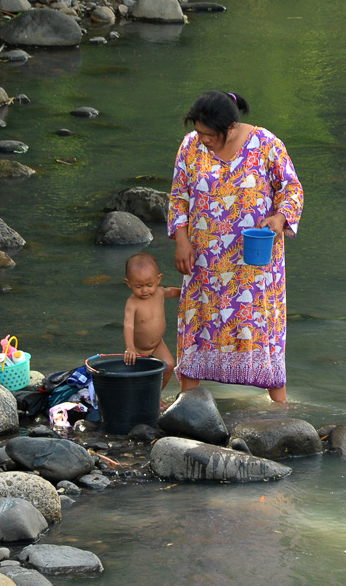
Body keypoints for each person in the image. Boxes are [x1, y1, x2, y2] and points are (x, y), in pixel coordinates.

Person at [168, 90, 303, 403]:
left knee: (260, 326)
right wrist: (182, 240)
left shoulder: (267, 144)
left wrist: (281, 218)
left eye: (208, 135)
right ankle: (187, 402)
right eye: (198, 132)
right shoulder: (190, 146)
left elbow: (292, 189)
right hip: (203, 261)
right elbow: (178, 196)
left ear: (228, 128)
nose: (202, 139)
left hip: (255, 264)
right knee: (198, 323)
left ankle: (280, 405)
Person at [122, 252, 180, 398]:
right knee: (140, 378)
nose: (145, 290)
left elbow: (171, 291)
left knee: (169, 365)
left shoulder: (160, 292)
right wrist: (130, 348)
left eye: (149, 285)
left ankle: (154, 396)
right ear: (128, 283)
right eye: (138, 286)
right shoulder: (132, 302)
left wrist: (185, 291)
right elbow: (128, 325)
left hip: (158, 344)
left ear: (158, 279)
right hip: (139, 349)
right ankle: (139, 398)